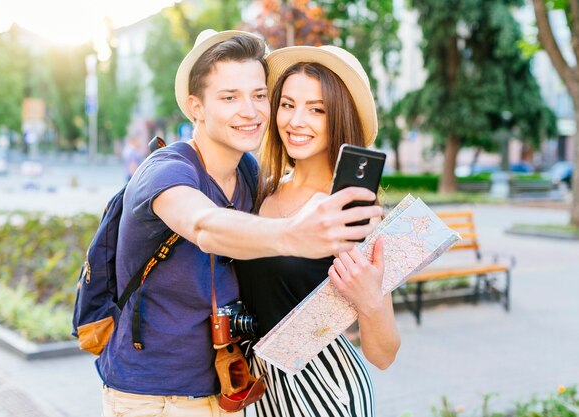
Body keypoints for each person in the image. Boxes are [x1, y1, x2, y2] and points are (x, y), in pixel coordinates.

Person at [96, 30, 382, 417]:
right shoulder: (166, 171)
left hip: (237, 390)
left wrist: (370, 300)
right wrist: (296, 235)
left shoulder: (252, 177)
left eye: (259, 96)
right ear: (196, 107)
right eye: (229, 97)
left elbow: (381, 344)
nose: (249, 111)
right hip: (157, 396)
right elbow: (204, 226)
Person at [235, 45, 401, 417]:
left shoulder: (353, 212)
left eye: (316, 109)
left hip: (326, 391)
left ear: (337, 118)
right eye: (288, 104)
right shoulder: (261, 190)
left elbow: (384, 354)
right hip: (262, 392)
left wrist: (370, 298)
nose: (296, 121)